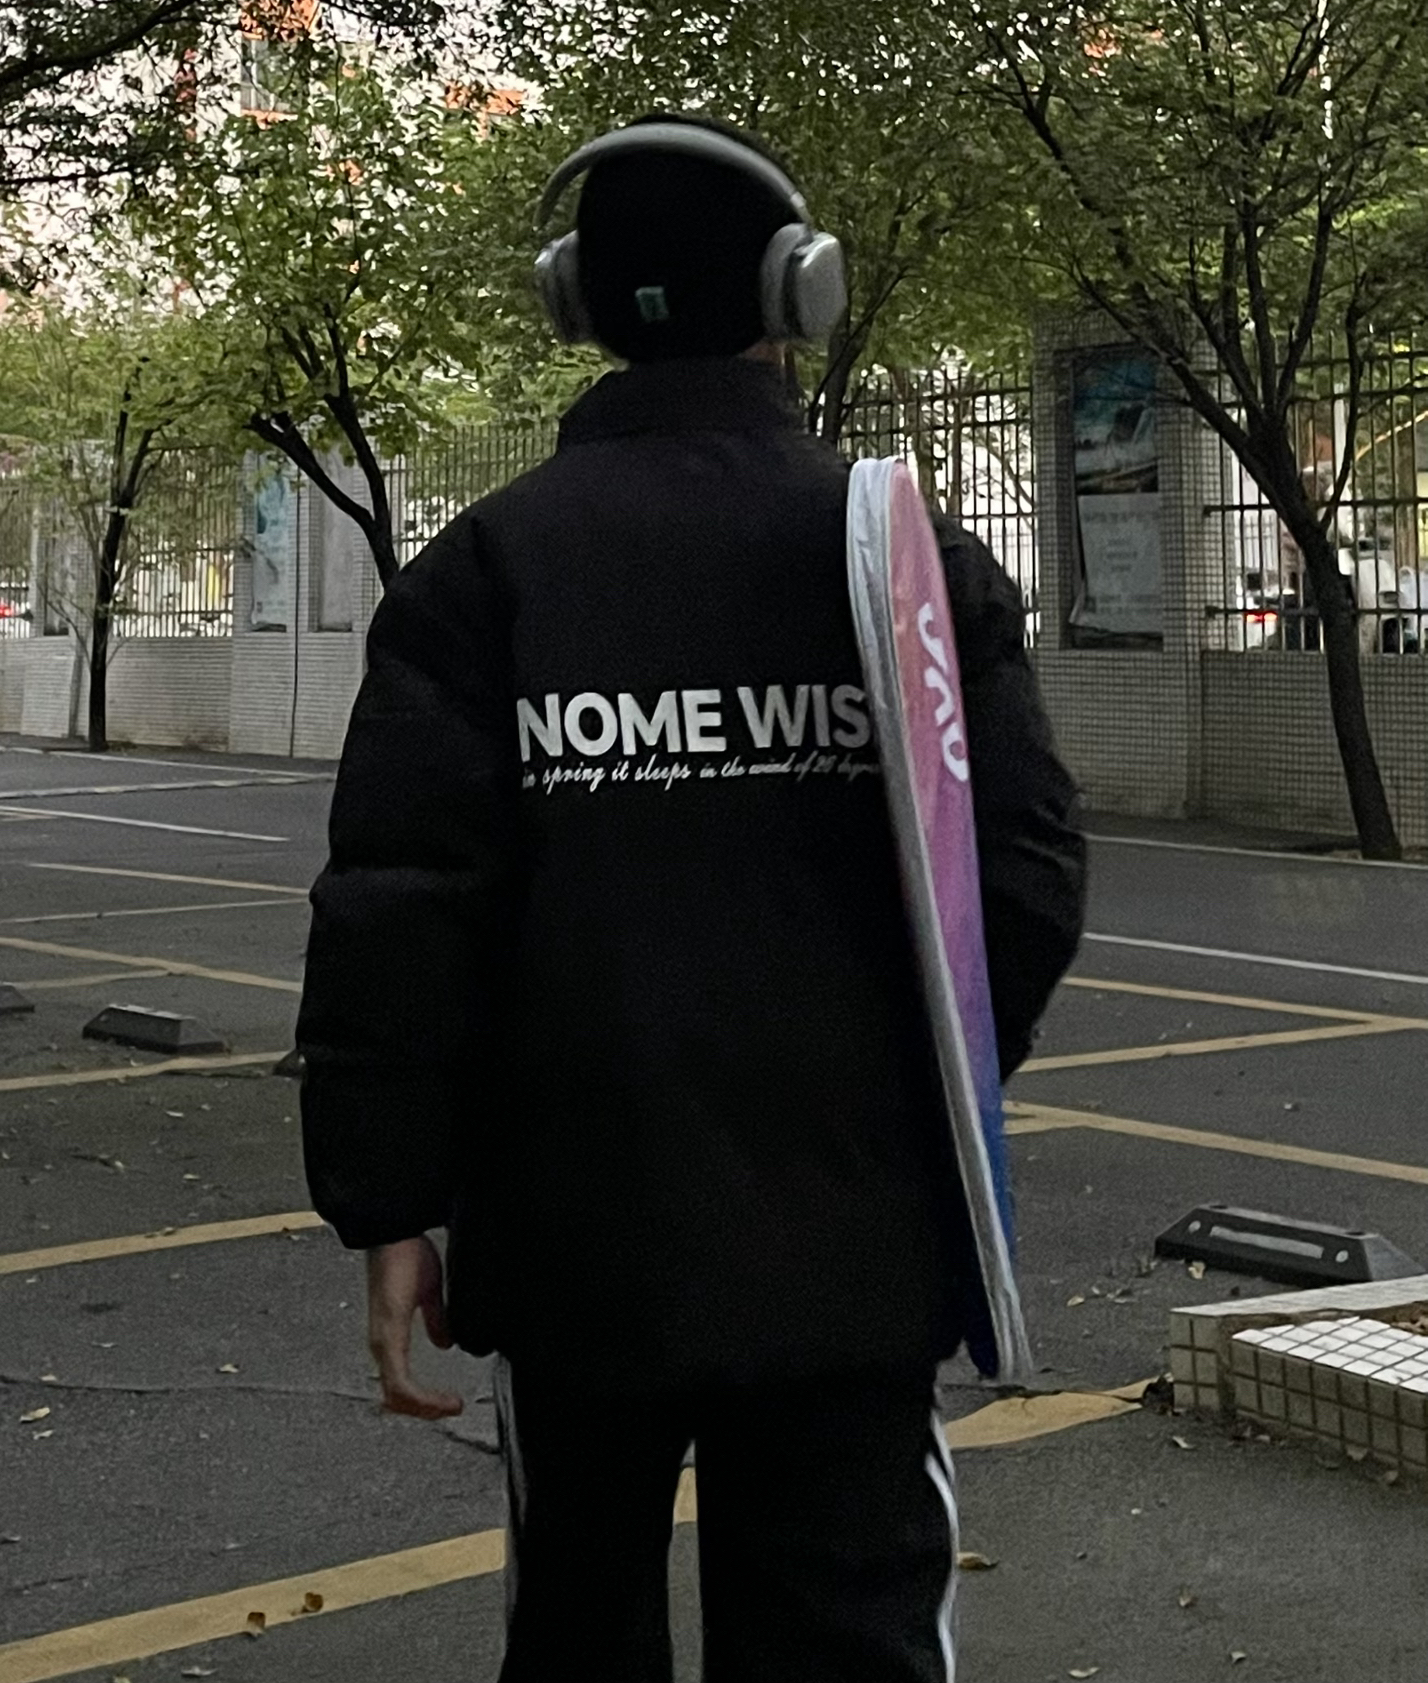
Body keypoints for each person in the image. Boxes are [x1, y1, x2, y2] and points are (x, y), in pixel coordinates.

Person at [297, 115, 1084, 1683]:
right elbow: (1022, 874)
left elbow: (402, 910)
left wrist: (391, 1205)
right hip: (855, 1248)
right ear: (799, 291)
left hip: (573, 1251)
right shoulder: (901, 561)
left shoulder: (482, 570)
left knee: (578, 1631)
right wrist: (907, 1101)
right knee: (851, 1637)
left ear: (573, 300)